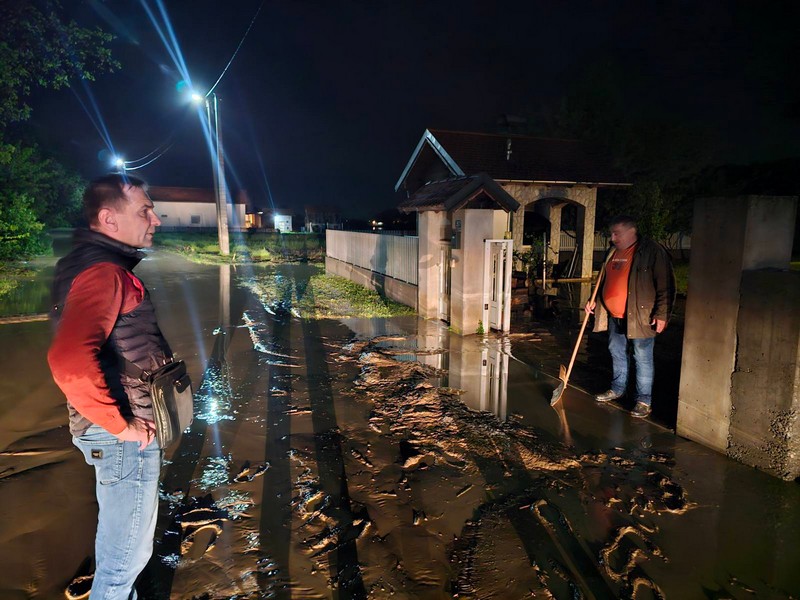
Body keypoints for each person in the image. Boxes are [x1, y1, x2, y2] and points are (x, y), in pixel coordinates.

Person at [48, 174, 168, 598]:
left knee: (121, 551)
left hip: (111, 429)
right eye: (143, 211)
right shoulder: (104, 272)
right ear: (108, 219)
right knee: (123, 562)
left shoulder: (86, 264)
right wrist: (122, 427)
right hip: (121, 435)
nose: (155, 219)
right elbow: (68, 361)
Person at [585, 215, 675, 418]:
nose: (613, 237)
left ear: (631, 231)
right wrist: (594, 300)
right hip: (615, 316)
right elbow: (604, 280)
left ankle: (644, 400)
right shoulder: (612, 251)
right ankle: (617, 388)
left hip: (641, 317)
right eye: (612, 233)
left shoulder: (651, 251)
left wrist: (662, 314)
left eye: (617, 233)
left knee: (641, 357)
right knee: (616, 351)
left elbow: (665, 285)